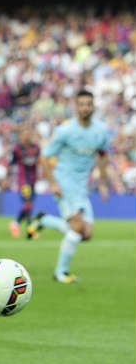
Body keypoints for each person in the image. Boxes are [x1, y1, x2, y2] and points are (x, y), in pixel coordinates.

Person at [27, 90, 110, 283]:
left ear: (93, 106)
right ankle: (60, 273)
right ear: (76, 107)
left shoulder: (101, 131)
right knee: (78, 227)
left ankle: (44, 220)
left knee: (86, 234)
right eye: (81, 104)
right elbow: (44, 157)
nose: (85, 108)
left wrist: (103, 183)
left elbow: (103, 156)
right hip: (64, 182)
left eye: (88, 104)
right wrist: (53, 183)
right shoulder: (65, 130)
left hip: (81, 187)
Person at [8, 124, 41, 238]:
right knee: (28, 203)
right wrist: (8, 177)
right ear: (21, 136)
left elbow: (39, 161)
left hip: (33, 180)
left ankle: (16, 224)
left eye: (28, 134)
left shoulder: (36, 147)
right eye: (24, 134)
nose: (26, 136)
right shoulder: (17, 148)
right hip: (23, 180)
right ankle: (30, 229)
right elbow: (12, 163)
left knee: (29, 205)